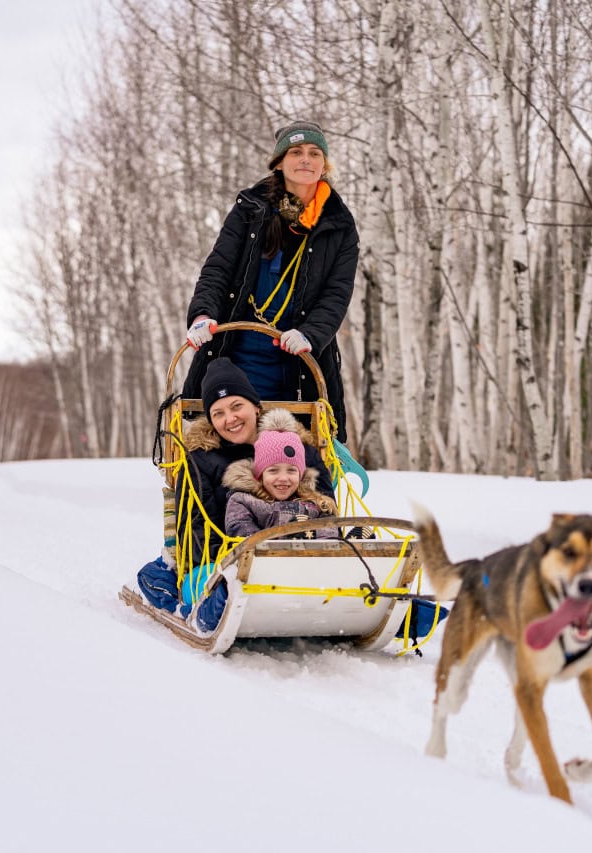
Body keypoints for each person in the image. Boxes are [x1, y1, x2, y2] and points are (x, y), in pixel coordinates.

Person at [182, 120, 359, 442]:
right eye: (296, 152)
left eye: (314, 153)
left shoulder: (340, 225)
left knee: (291, 465)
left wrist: (311, 333)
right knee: (226, 457)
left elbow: (338, 293)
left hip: (299, 361)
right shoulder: (250, 210)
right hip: (237, 355)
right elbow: (217, 269)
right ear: (279, 162)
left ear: (324, 164)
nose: (305, 159)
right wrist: (202, 314)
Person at [136, 359, 334, 624]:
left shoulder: (297, 448)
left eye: (236, 406)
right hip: (222, 562)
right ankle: (213, 609)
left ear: (255, 405)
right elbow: (195, 535)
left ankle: (398, 611)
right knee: (216, 584)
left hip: (301, 558)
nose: (229, 419)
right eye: (218, 413)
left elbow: (328, 510)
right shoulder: (200, 461)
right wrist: (239, 561)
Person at [223, 410, 338, 539]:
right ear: (259, 475)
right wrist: (286, 538)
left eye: (291, 470)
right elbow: (242, 535)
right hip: (263, 557)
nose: (283, 478)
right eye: (273, 470)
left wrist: (310, 536)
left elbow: (329, 535)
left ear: (301, 475)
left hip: (311, 557)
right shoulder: (243, 502)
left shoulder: (317, 504)